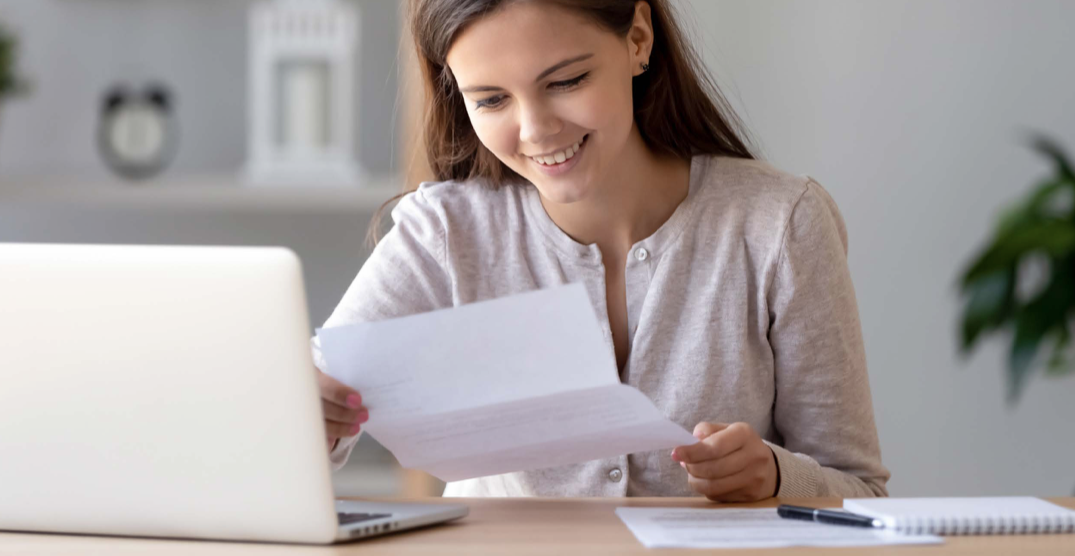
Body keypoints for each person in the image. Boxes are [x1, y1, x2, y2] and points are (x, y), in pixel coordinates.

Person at [312, 0, 890, 501]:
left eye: (565, 82)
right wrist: (308, 415)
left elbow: (859, 489)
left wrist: (774, 475)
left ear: (638, 39)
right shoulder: (444, 231)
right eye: (491, 100)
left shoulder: (779, 224)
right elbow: (309, 400)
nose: (535, 129)